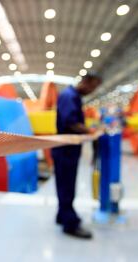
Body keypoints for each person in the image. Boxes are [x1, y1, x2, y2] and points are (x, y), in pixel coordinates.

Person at [52, 72, 102, 239]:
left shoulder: (73, 96)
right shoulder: (69, 96)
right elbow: (70, 122)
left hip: (69, 148)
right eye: (93, 86)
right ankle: (70, 224)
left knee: (64, 184)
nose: (92, 91)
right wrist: (91, 131)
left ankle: (61, 215)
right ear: (85, 82)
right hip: (65, 148)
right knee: (67, 186)